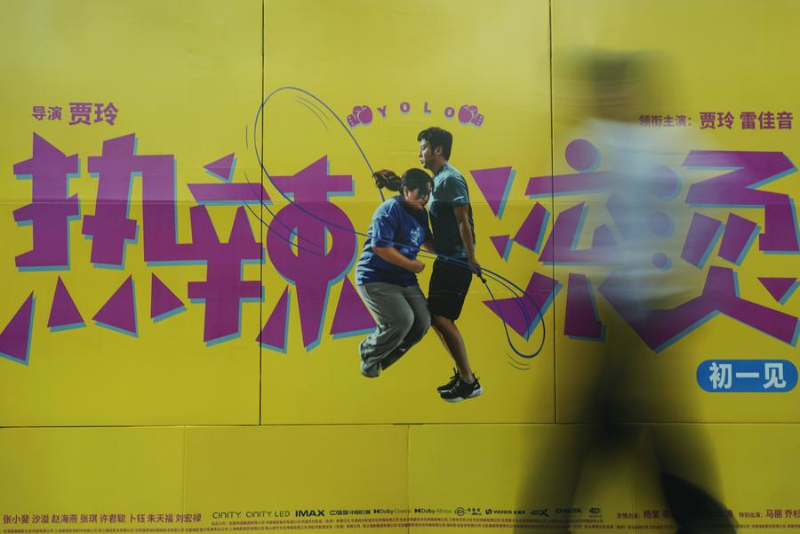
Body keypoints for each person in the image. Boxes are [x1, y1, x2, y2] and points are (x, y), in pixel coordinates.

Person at [417, 127, 482, 402]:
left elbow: (462, 220)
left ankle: (468, 381)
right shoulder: (437, 181)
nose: (419, 153)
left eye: (423, 147)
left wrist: (470, 258)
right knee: (435, 317)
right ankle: (464, 376)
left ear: (438, 150)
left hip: (457, 260)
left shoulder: (451, 179)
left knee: (441, 317)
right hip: (446, 260)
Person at [355, 168, 434, 378]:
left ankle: (383, 361)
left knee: (422, 322)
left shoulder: (421, 212)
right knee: (402, 320)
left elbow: (427, 240)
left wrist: (451, 252)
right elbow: (380, 247)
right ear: (407, 191)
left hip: (404, 279)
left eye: (429, 193)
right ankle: (369, 351)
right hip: (375, 277)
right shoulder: (389, 210)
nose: (426, 198)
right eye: (422, 193)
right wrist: (411, 265)